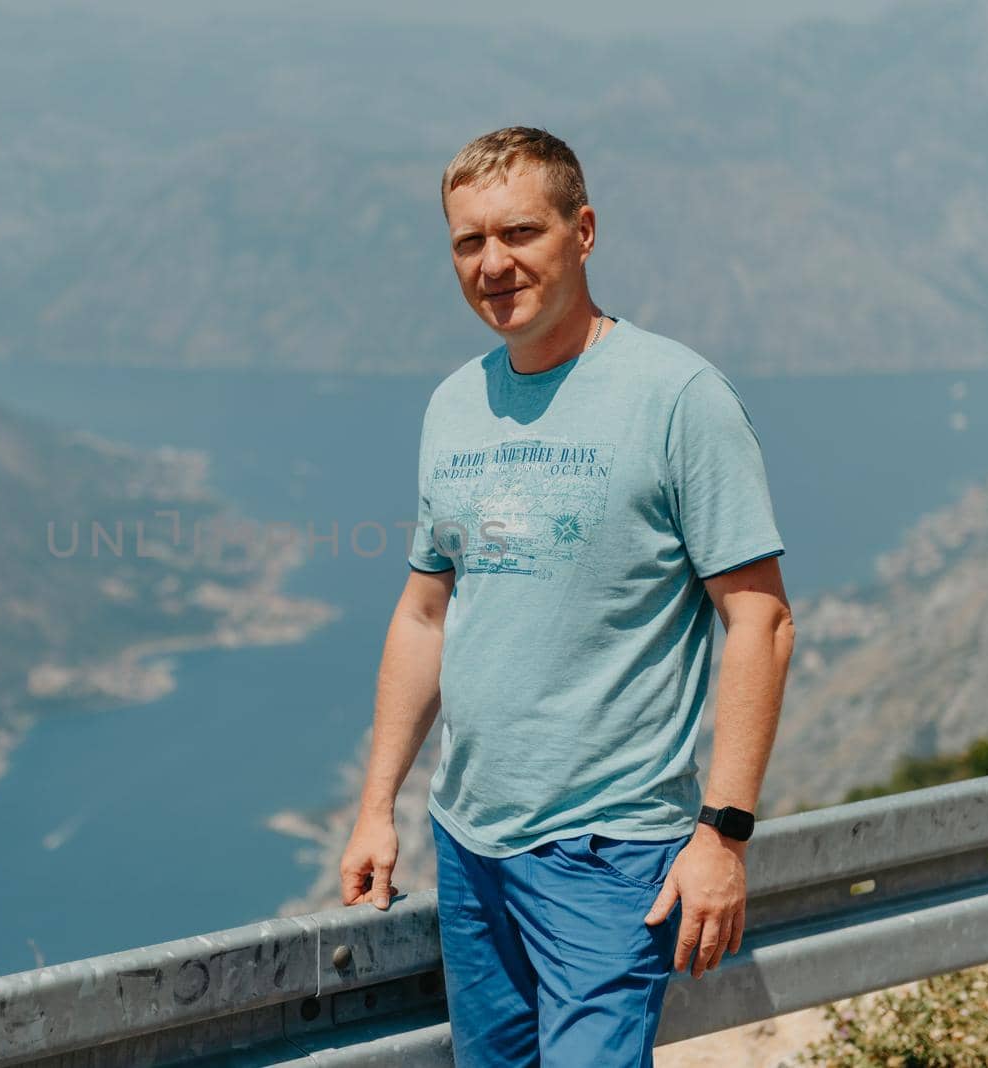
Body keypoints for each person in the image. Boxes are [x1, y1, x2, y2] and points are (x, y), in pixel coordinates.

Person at [338, 126, 795, 1067]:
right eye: (469, 242)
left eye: (519, 234)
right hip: (470, 849)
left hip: (610, 852)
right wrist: (378, 803)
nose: (493, 264)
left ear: (581, 231)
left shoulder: (677, 396)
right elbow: (428, 612)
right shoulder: (455, 404)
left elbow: (761, 618)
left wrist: (723, 834)